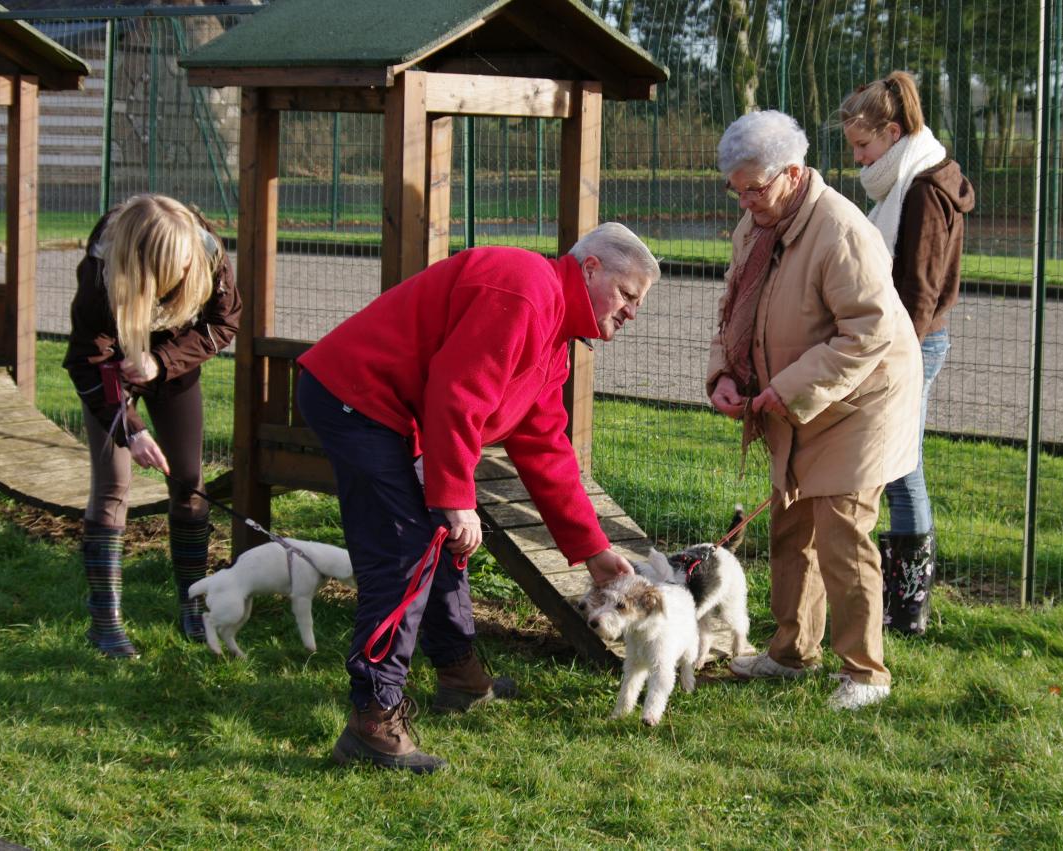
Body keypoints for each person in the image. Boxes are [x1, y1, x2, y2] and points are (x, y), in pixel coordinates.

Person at [296, 222, 660, 773]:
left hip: (395, 415)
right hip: (357, 398)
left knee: (438, 543)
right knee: (405, 554)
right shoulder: (526, 290)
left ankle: (459, 677)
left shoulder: (554, 338)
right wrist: (455, 496)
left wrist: (592, 549)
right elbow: (457, 394)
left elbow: (545, 448)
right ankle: (373, 720)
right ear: (590, 269)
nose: (632, 312)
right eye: (628, 294)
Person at [707, 110, 921, 711]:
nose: (746, 201)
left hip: (860, 402)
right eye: (737, 189)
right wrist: (723, 373)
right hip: (798, 398)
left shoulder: (842, 231)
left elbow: (870, 329)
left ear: (794, 173)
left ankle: (865, 674)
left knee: (842, 533)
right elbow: (733, 309)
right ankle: (792, 652)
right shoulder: (755, 227)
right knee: (789, 525)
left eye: (756, 187)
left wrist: (791, 385)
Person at [64, 193, 241, 658]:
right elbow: (86, 359)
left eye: (187, 265)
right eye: (174, 269)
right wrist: (131, 429)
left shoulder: (208, 254)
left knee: (188, 480)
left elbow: (225, 322)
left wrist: (161, 363)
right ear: (145, 265)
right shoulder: (101, 273)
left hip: (174, 368)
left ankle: (191, 604)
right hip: (110, 372)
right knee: (114, 485)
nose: (185, 275)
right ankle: (105, 622)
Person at [840, 71, 975, 635]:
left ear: (893, 132)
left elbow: (918, 289)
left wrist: (895, 356)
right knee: (900, 464)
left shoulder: (921, 189)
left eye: (863, 146)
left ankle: (907, 607)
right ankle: (903, 608)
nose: (857, 159)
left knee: (903, 465)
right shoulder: (908, 179)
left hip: (913, 341)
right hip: (906, 337)